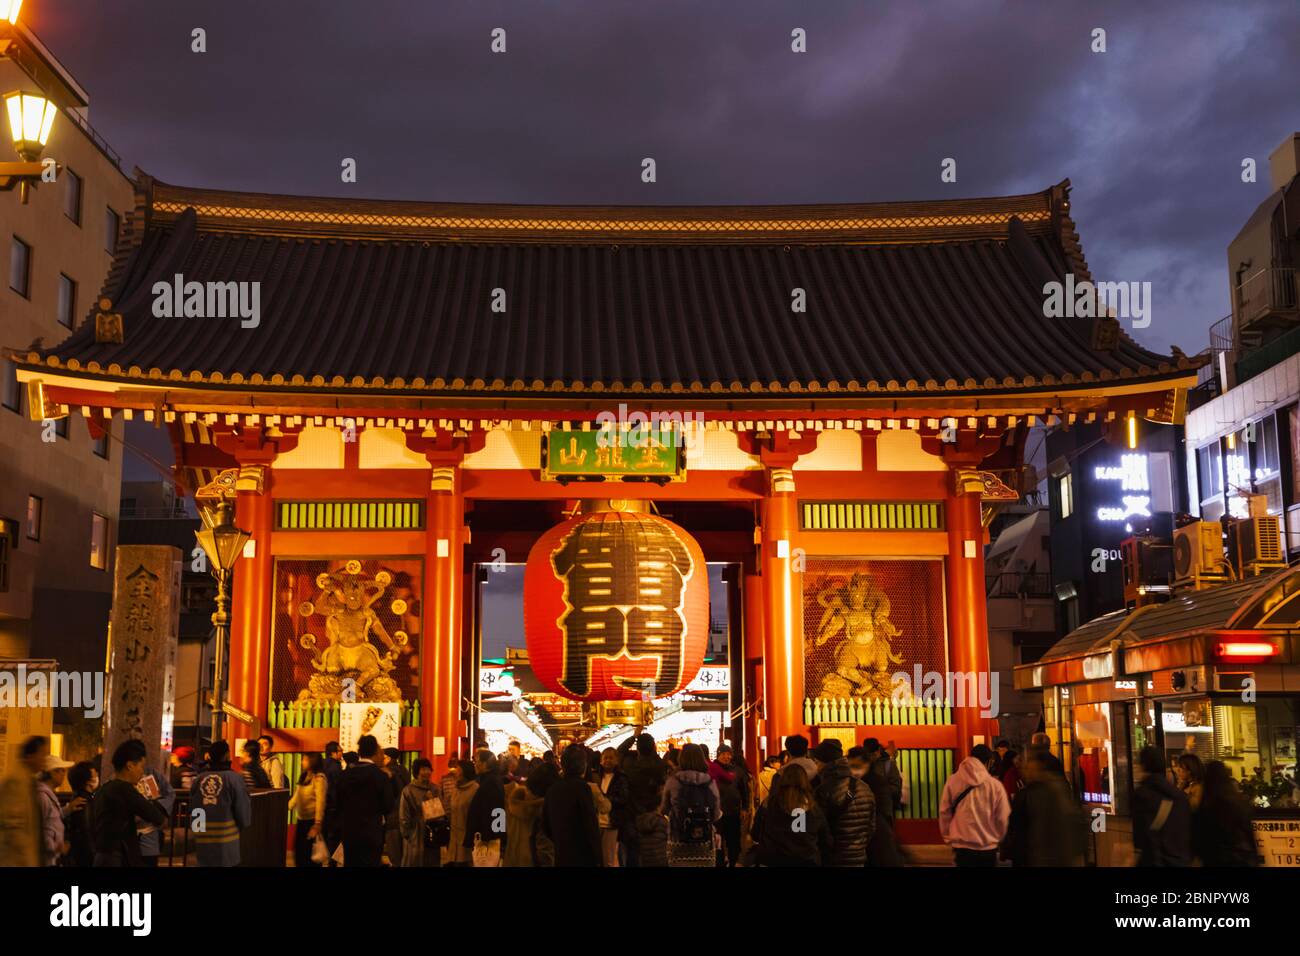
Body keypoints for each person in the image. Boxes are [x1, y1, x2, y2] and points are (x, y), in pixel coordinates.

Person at [999, 749, 1085, 867]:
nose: (1025, 770)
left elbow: (1014, 824)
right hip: (1053, 855)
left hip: (1035, 855)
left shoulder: (1029, 794)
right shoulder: (1058, 789)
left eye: (1028, 765)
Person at [90, 740, 169, 867]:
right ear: (130, 766)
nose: (142, 772)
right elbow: (158, 818)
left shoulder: (103, 788)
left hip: (101, 855)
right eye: (141, 767)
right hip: (118, 857)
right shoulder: (125, 790)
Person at [938, 744, 1010, 867]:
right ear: (988, 762)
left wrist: (948, 836)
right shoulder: (995, 786)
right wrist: (997, 837)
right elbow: (1003, 817)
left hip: (961, 847)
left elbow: (944, 812)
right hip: (988, 848)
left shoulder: (952, 781)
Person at [750, 763, 831, 866]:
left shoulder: (769, 803)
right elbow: (825, 840)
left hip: (772, 860)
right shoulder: (812, 806)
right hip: (805, 861)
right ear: (805, 781)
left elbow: (755, 834)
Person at [810, 739, 874, 866]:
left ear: (825, 763)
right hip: (859, 856)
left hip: (834, 857)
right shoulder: (864, 787)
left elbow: (818, 826)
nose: (816, 767)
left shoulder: (824, 790)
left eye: (817, 762)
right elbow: (871, 826)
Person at [335, 734, 396, 867]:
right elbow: (389, 806)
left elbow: (337, 803)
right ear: (374, 752)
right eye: (380, 752)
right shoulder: (380, 776)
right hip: (371, 834)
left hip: (349, 833)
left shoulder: (345, 775)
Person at [189, 741, 251, 867]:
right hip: (226, 840)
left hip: (203, 840)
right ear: (227, 755)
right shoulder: (234, 779)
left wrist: (198, 831)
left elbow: (194, 808)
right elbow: (243, 811)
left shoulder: (199, 779)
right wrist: (244, 823)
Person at [661, 743, 720, 867]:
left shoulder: (673, 781)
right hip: (704, 841)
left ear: (681, 758)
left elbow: (664, 809)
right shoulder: (709, 782)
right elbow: (715, 813)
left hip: (678, 838)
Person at [1132, 746, 1192, 867]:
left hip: (1154, 861)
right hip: (1179, 861)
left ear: (1143, 766)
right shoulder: (1180, 797)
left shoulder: (1141, 795)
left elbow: (1140, 839)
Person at [543, 746, 602, 867]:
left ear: (562, 765)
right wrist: (598, 857)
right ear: (583, 766)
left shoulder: (552, 789)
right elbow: (590, 825)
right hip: (582, 855)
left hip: (561, 852)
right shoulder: (583, 788)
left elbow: (546, 824)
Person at [1191, 760, 1257, 867]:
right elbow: (1249, 834)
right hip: (1240, 859)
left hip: (1216, 859)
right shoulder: (1239, 802)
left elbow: (1199, 839)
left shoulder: (1207, 805)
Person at [849, 747, 903, 866]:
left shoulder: (877, 782)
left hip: (876, 838)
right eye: (851, 766)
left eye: (858, 766)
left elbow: (885, 810)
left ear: (867, 764)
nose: (855, 771)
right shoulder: (847, 784)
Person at [0, 735, 49, 866]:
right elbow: (14, 827)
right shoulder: (15, 782)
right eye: (42, 754)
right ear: (29, 756)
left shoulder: (28, 781)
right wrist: (27, 860)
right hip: (17, 861)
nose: (45, 759)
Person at [465, 749, 506, 866]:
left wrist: (494, 836)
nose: (475, 764)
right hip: (488, 836)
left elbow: (498, 810)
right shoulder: (489, 780)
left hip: (488, 839)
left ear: (485, 764)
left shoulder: (491, 782)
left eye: (476, 761)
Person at [712, 744, 750, 867]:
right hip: (716, 813)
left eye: (729, 754)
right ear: (718, 755)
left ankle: (732, 861)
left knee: (733, 840)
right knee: (718, 840)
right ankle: (719, 862)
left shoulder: (737, 771)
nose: (726, 756)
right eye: (723, 754)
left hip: (733, 811)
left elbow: (744, 790)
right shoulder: (712, 768)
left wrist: (744, 807)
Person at [398, 758, 440, 867]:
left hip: (432, 834)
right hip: (415, 833)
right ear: (417, 772)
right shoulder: (408, 790)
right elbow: (404, 816)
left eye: (428, 769)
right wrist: (407, 834)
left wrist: (432, 802)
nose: (427, 772)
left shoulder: (435, 789)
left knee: (431, 861)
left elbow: (439, 814)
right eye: (423, 769)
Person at [289, 752, 327, 867]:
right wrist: (286, 807)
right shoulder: (304, 776)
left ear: (313, 761)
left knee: (309, 856)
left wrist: (317, 823)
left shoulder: (319, 778)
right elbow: (296, 797)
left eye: (305, 760)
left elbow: (321, 802)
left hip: (311, 823)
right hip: (301, 820)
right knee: (300, 853)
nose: (302, 762)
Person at [593, 747, 629, 867]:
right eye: (605, 758)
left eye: (611, 758)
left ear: (617, 760)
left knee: (608, 858)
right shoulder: (596, 777)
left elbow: (624, 798)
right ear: (601, 761)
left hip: (611, 822)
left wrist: (605, 800)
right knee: (597, 857)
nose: (608, 760)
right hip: (596, 822)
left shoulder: (621, 778)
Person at [36, 754, 74, 865]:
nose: (64, 774)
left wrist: (68, 809)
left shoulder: (48, 794)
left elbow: (51, 818)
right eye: (62, 770)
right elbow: (37, 829)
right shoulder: (42, 796)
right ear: (53, 773)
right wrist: (56, 847)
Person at [135, 765, 175, 867]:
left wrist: (157, 808)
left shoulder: (150, 772)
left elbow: (169, 794)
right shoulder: (118, 778)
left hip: (150, 832)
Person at [62, 761, 98, 868]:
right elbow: (87, 832)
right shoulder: (83, 802)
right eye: (95, 774)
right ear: (87, 781)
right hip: (85, 858)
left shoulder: (79, 798)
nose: (97, 776)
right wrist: (94, 856)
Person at [447, 758, 479, 866]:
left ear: (466, 772)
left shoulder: (475, 789)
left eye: (458, 770)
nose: (455, 772)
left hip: (468, 841)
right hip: (453, 840)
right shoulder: (455, 790)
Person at [382, 748, 409, 866]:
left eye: (384, 757)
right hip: (405, 816)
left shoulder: (387, 773)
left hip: (392, 817)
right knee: (404, 853)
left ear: (388, 758)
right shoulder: (404, 770)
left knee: (394, 853)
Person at [863, 737, 902, 821]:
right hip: (865, 810)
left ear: (878, 751)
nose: (871, 758)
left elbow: (896, 788)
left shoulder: (888, 765)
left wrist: (880, 791)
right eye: (868, 755)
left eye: (872, 754)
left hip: (883, 810)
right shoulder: (863, 765)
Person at [322, 741, 344, 862]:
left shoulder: (322, 765)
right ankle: (332, 861)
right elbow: (338, 788)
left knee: (324, 834)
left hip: (323, 806)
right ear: (333, 753)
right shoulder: (335, 767)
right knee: (333, 836)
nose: (342, 753)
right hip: (333, 806)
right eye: (340, 751)